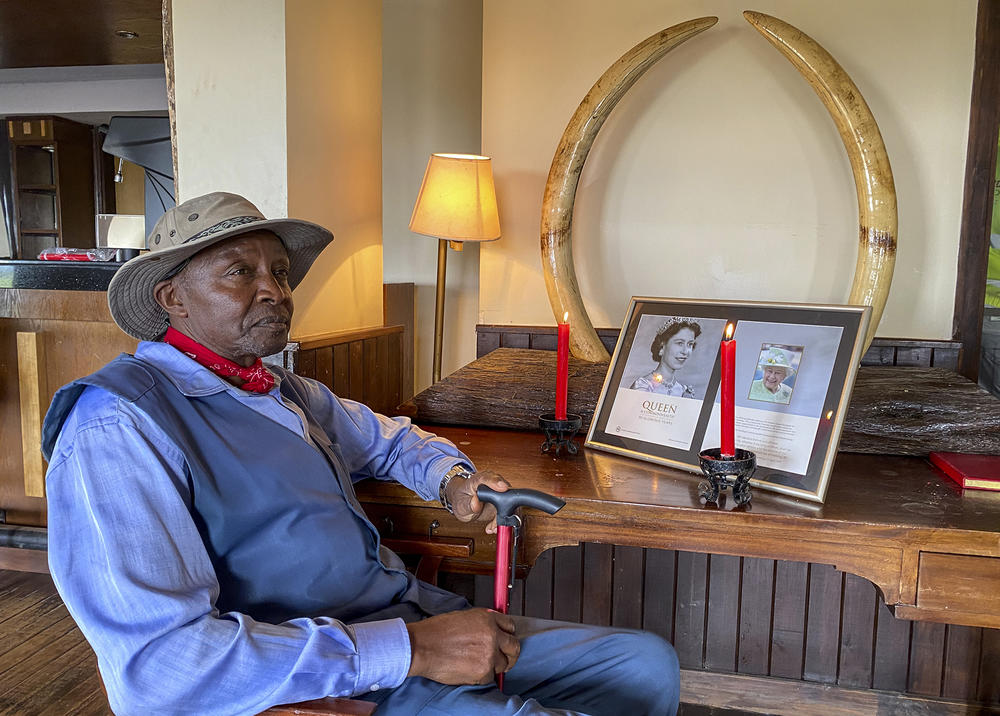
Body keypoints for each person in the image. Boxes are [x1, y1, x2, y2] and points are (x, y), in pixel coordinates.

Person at [41, 192, 679, 716]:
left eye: (280, 273)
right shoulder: (116, 425)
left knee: (646, 666)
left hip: (409, 622)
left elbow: (389, 438)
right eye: (240, 272)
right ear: (170, 299)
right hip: (332, 684)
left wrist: (454, 480)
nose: (275, 291)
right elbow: (161, 671)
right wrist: (410, 651)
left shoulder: (280, 389)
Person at [629, 317, 701, 397]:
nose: (685, 351)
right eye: (680, 343)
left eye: (690, 344)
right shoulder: (642, 386)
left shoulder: (684, 391)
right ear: (662, 347)